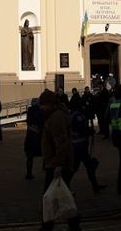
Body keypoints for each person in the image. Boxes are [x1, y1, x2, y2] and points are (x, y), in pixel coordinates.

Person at [38, 90, 80, 231]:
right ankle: (71, 225)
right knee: (63, 196)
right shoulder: (54, 115)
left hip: (58, 165)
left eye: (42, 105)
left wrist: (58, 165)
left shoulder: (56, 117)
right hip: (56, 163)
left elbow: (62, 143)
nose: (40, 108)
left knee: (51, 197)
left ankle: (48, 226)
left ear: (49, 104)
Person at [69, 101, 105, 194]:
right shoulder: (78, 116)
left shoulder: (72, 114)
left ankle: (95, 185)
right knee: (75, 168)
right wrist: (90, 131)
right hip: (79, 146)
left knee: (89, 166)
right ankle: (65, 186)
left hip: (78, 146)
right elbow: (81, 129)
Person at [24, 98, 44, 180]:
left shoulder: (29, 110)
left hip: (30, 135)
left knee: (30, 156)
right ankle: (46, 170)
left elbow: (28, 121)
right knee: (45, 153)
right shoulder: (41, 111)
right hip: (39, 135)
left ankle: (29, 173)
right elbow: (42, 122)